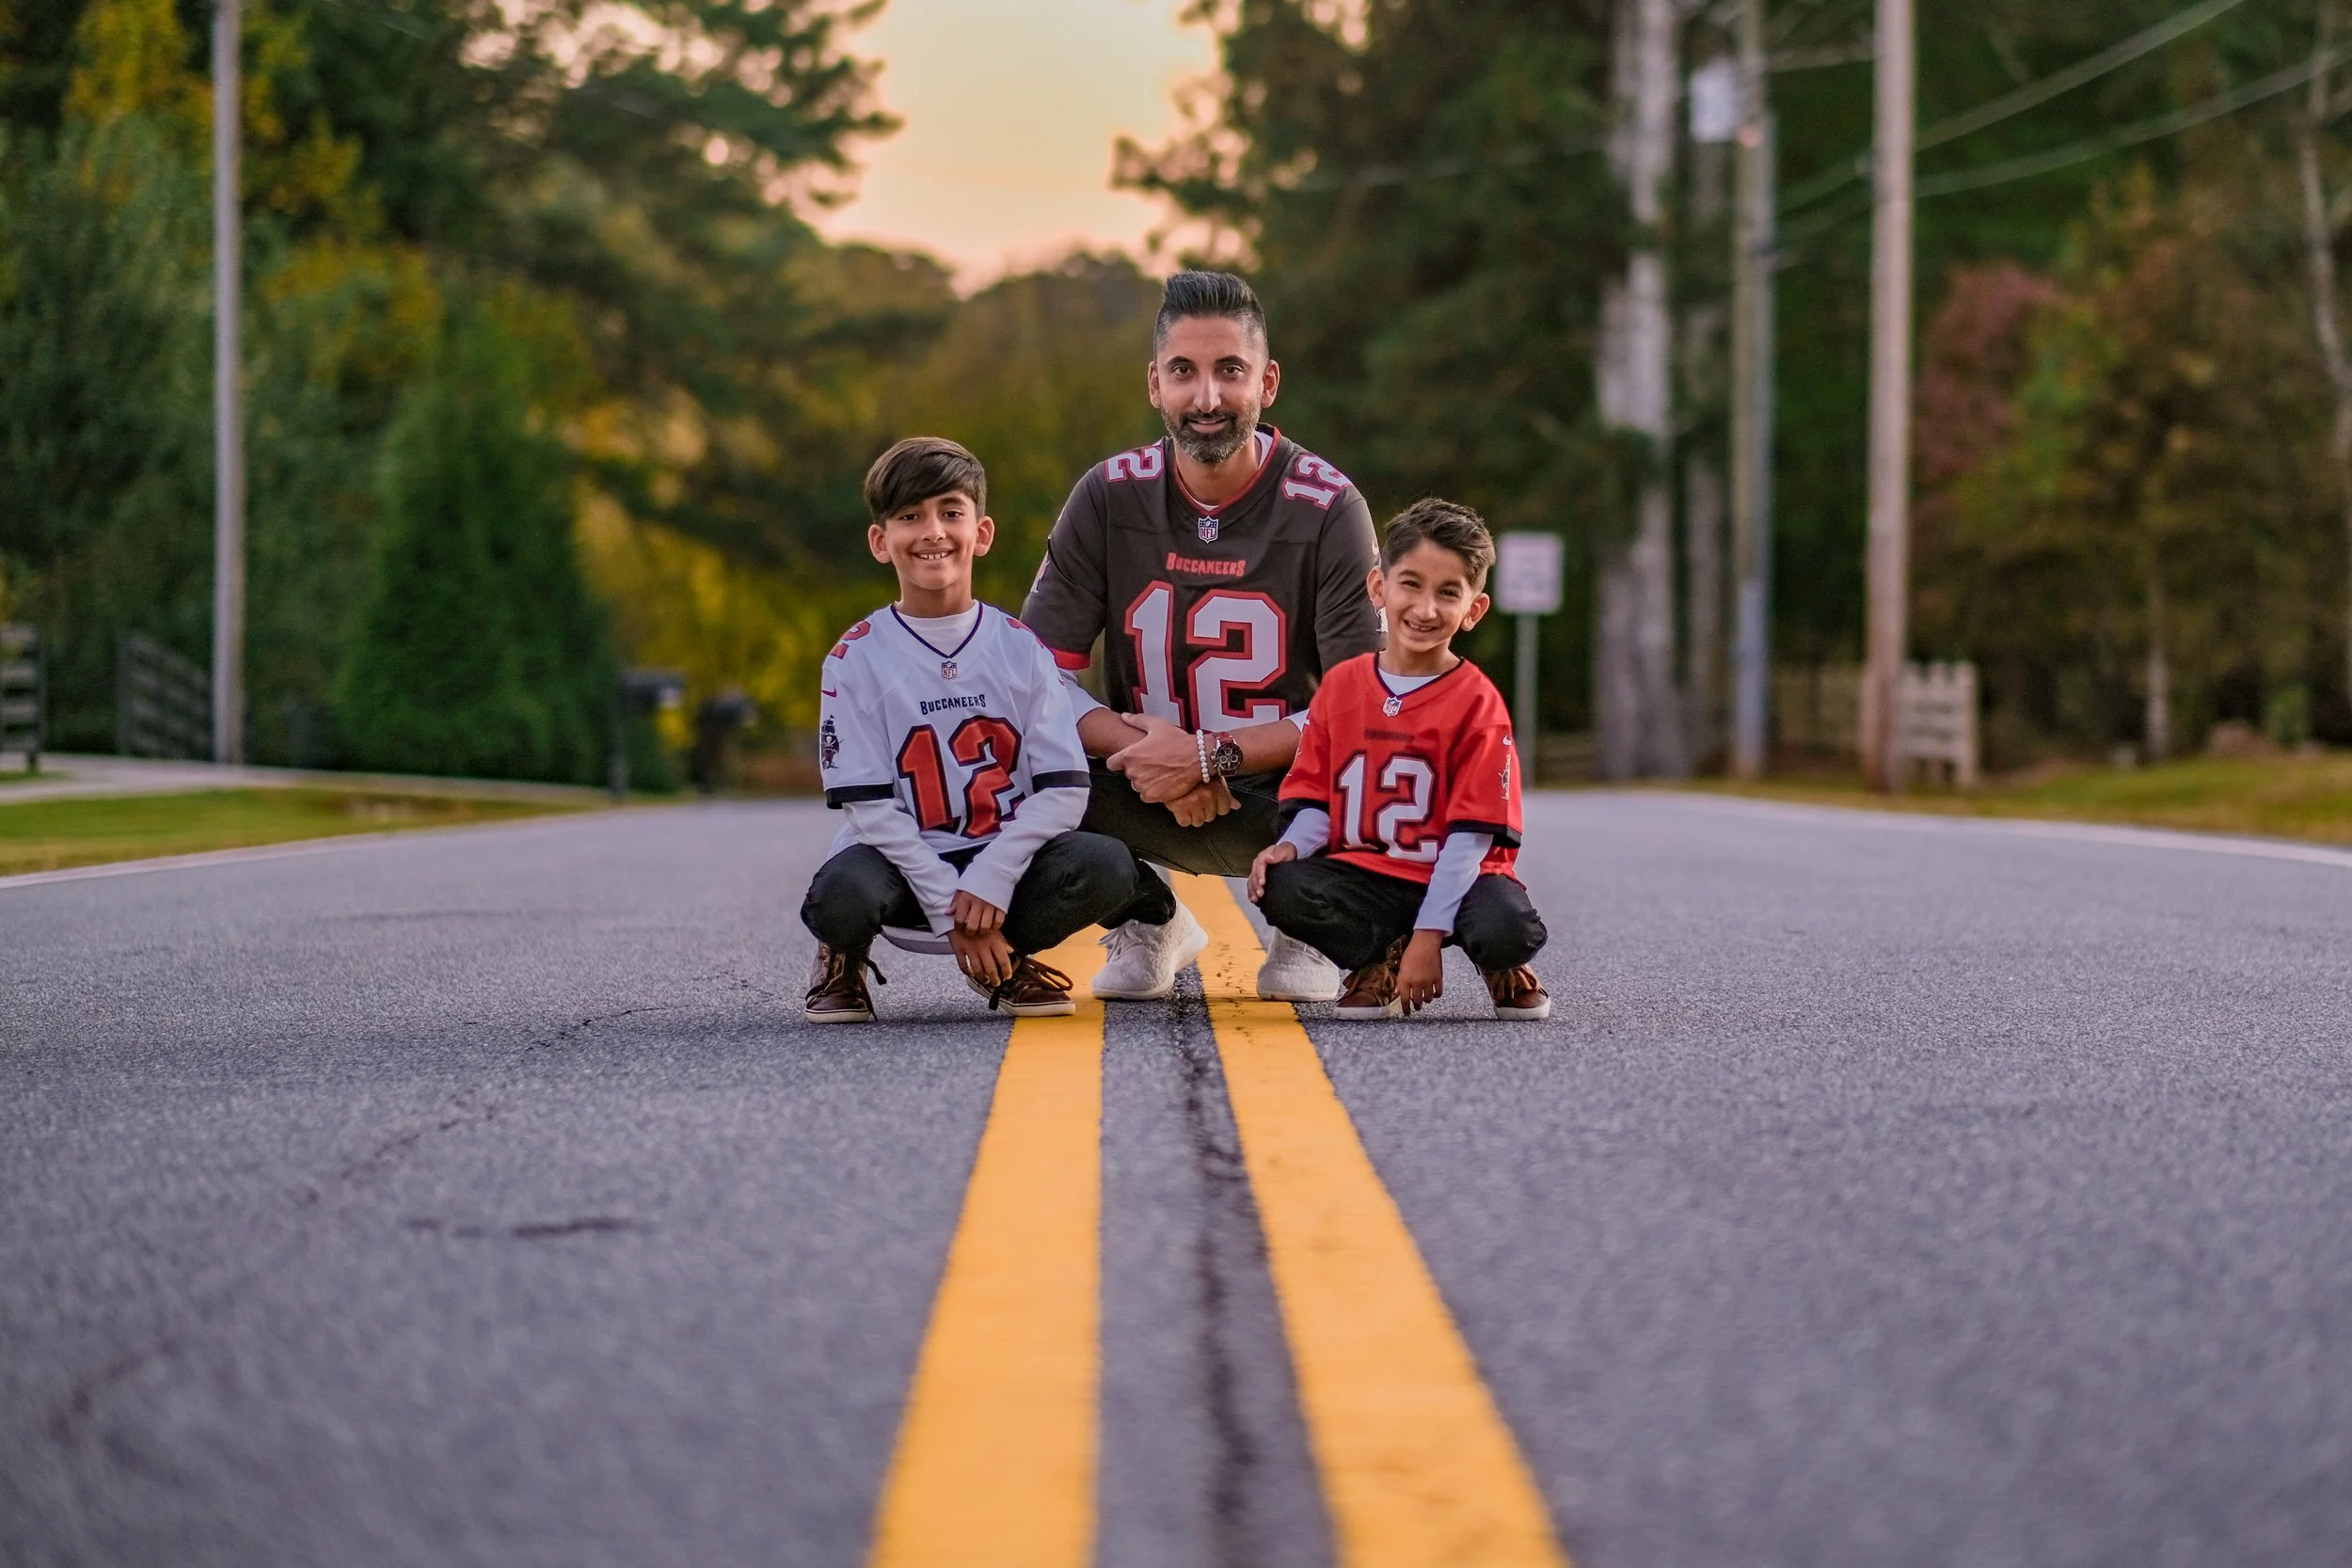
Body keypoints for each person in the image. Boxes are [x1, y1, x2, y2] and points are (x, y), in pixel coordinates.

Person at [1021, 270, 1384, 1003]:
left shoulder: (1328, 506)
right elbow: (1029, 675)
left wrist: (1210, 754)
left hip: (1287, 791)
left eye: (1230, 372)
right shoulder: (1107, 494)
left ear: (1268, 382)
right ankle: (1147, 916)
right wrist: (1139, 747)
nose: (1207, 398)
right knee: (1006, 747)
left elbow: (1366, 700)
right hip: (1142, 783)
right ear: (1155, 383)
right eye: (1184, 372)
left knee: (1387, 755)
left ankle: (1302, 919)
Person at [802, 437, 1152, 1023]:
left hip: (1001, 865)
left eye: (950, 512)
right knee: (840, 897)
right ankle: (844, 954)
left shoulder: (1021, 649)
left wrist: (993, 877)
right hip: (902, 870)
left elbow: (1063, 791)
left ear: (981, 533)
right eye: (910, 517)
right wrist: (948, 907)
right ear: (880, 542)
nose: (932, 531)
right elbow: (870, 808)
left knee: (1107, 866)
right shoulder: (854, 657)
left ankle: (1007, 958)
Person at [1247, 499, 1551, 1021]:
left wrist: (1430, 937)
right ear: (1378, 587)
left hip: (1462, 877)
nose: (1425, 609)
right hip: (1371, 872)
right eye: (1410, 583)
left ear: (1473, 610)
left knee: (1508, 930)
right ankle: (1375, 959)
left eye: (1448, 593)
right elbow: (1320, 799)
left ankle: (1493, 961)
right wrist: (1291, 846)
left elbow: (1470, 839)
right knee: (1280, 883)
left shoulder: (1477, 701)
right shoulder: (1342, 686)